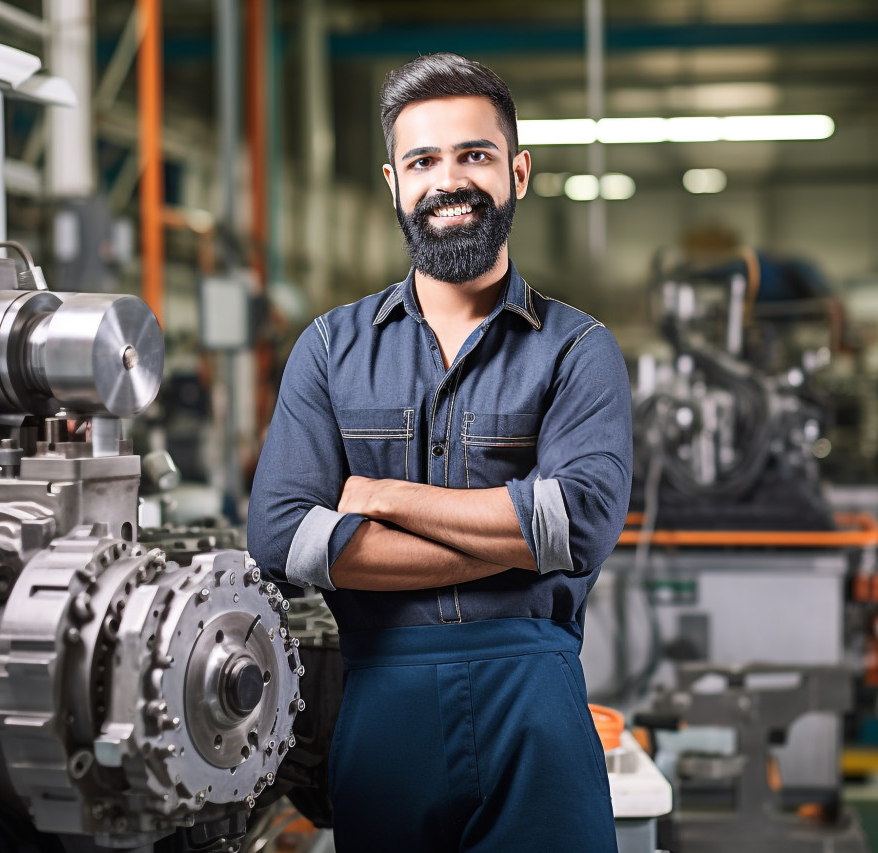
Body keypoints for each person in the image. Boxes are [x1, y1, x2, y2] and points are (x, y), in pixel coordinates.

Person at [248, 53, 632, 853]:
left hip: (536, 705)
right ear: (393, 182)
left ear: (518, 172)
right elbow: (284, 537)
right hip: (384, 703)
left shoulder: (578, 350)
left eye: (474, 156)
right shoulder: (328, 349)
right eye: (423, 160)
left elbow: (579, 525)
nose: (447, 181)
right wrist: (518, 535)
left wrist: (383, 498)